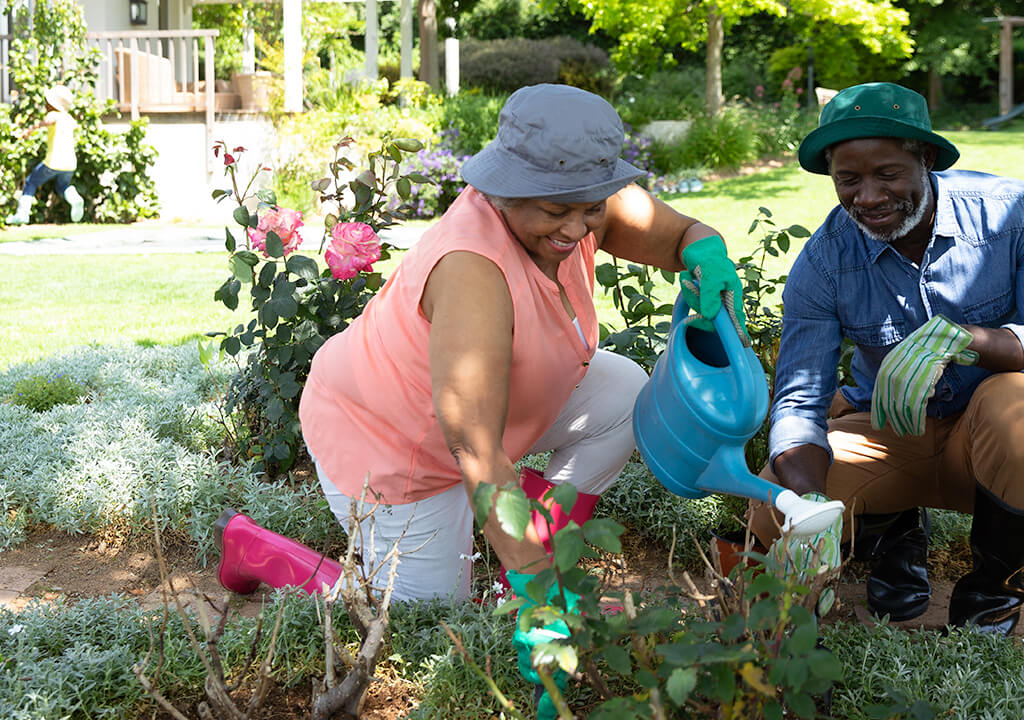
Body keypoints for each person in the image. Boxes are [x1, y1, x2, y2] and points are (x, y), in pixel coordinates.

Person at [214, 84, 744, 603]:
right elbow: (476, 449)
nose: (577, 229)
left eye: (591, 209)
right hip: (392, 440)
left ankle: (524, 556)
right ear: (509, 186)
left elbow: (680, 236)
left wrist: (709, 256)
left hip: (493, 413)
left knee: (624, 391)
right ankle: (255, 550)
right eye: (557, 210)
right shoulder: (473, 273)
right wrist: (545, 596)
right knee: (422, 620)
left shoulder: (578, 201)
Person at [749, 82, 1024, 637]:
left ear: (926, 159)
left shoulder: (1016, 214)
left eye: (887, 174)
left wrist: (970, 341)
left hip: (987, 440)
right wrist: (809, 503)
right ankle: (895, 534)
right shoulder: (824, 262)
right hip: (886, 429)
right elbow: (799, 398)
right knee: (775, 508)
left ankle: (991, 594)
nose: (867, 197)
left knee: (1023, 403)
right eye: (849, 179)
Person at [5, 84, 84, 225]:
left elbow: (49, 121)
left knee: (31, 182)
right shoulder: (69, 118)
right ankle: (74, 198)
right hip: (70, 163)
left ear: (53, 104)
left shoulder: (54, 115)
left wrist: (31, 128)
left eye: (47, 102)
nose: (46, 104)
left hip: (54, 161)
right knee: (62, 187)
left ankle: (22, 215)